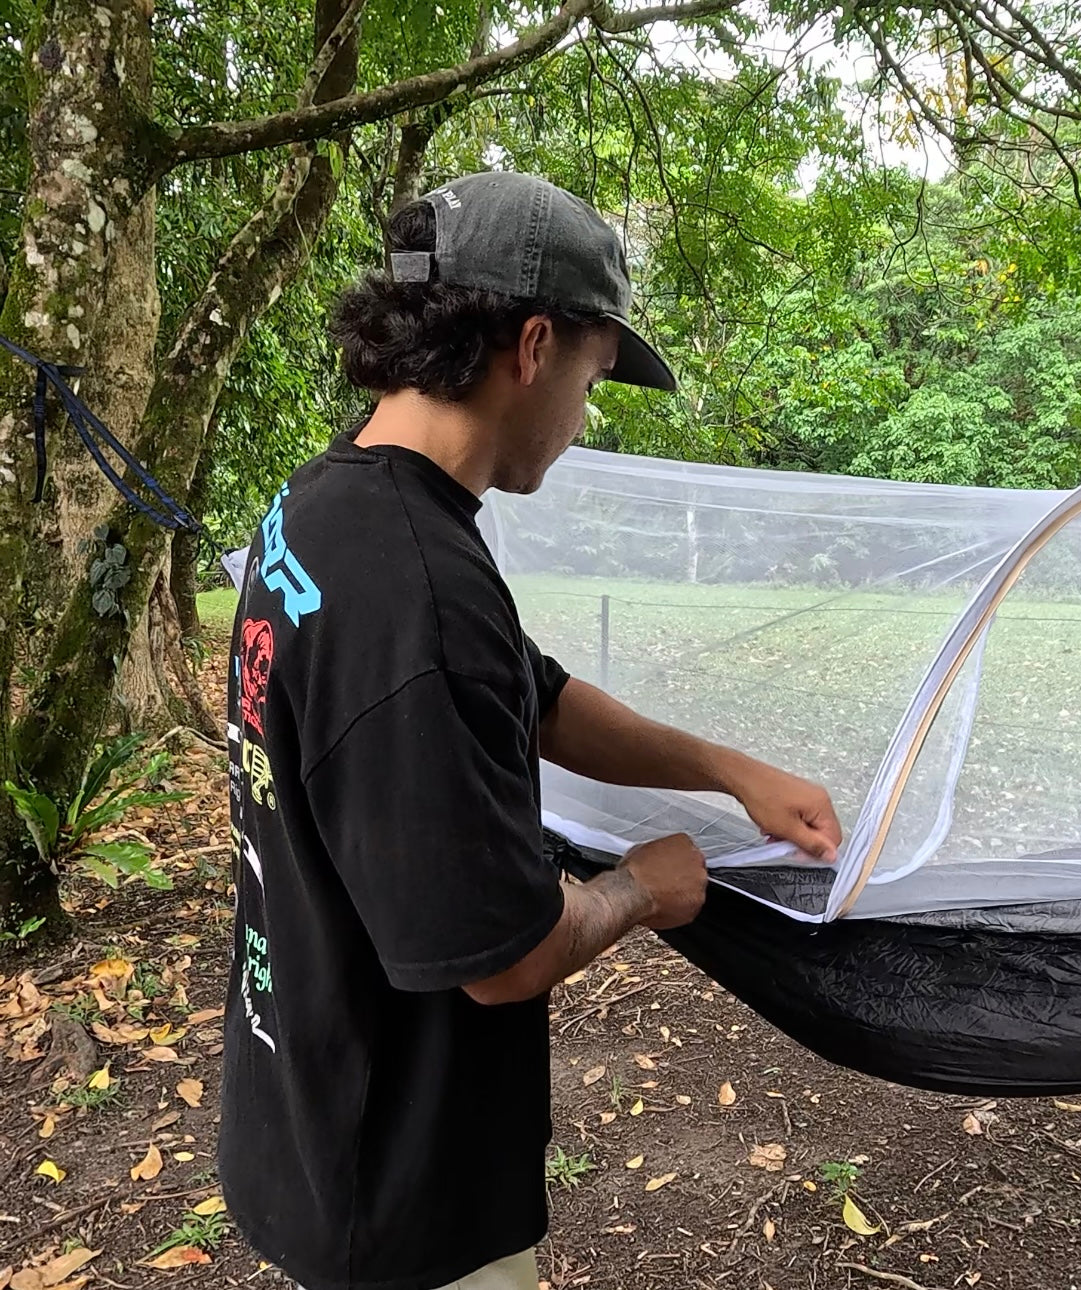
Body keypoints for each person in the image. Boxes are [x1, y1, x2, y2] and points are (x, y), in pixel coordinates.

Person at [220, 171, 842, 1290]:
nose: (584, 418)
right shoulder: (418, 592)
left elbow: (529, 692)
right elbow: (504, 962)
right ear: (536, 345)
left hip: (303, 1103)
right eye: (592, 380)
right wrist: (642, 888)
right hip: (402, 1197)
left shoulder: (328, 503)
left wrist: (727, 770)